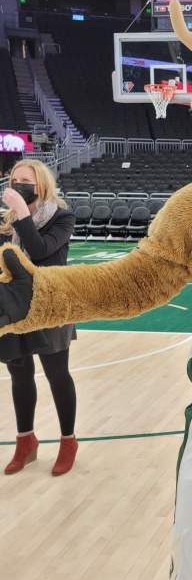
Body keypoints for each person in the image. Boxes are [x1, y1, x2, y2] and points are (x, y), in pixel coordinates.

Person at [0, 159, 78, 476]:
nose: (18, 184)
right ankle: (25, 441)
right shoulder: (5, 223)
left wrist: (21, 213)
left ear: (41, 184)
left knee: (57, 373)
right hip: (14, 306)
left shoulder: (61, 217)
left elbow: (41, 250)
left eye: (25, 180)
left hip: (52, 304)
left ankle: (68, 441)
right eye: (13, 179)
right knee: (19, 374)